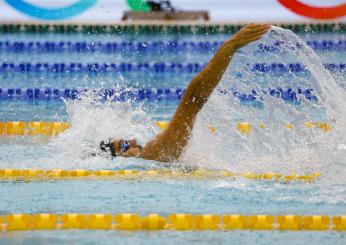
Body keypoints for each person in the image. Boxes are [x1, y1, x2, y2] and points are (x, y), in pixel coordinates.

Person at [100, 24, 270, 162]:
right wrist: (230, 46)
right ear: (120, 159)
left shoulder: (151, 156)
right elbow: (192, 101)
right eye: (124, 146)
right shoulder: (154, 154)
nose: (133, 141)